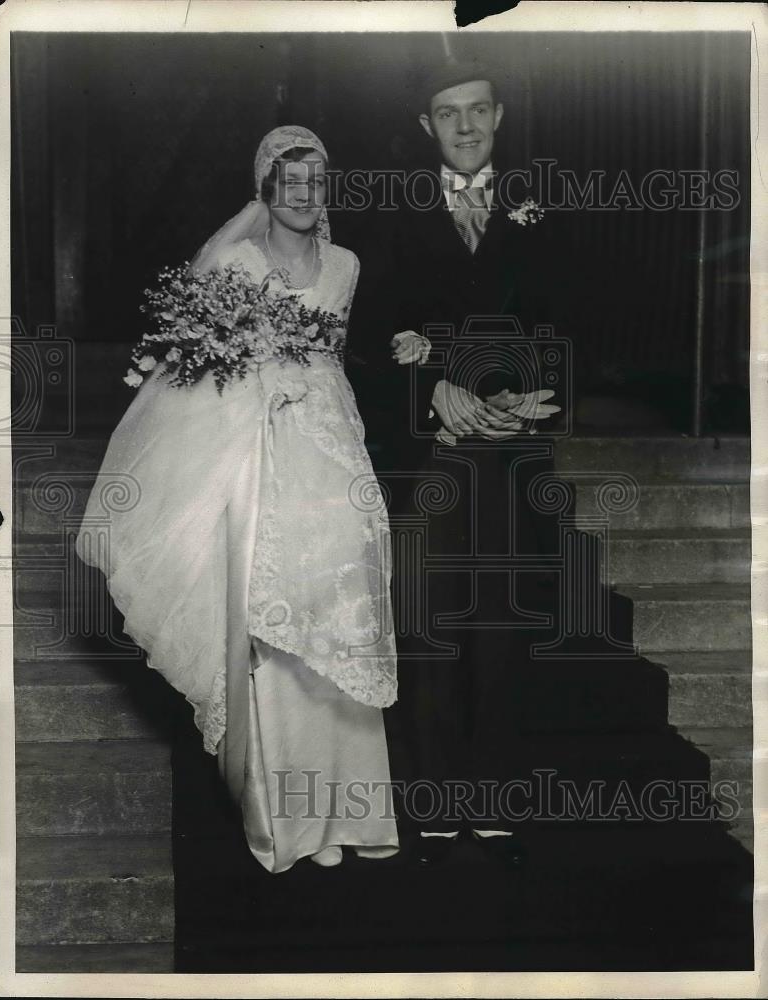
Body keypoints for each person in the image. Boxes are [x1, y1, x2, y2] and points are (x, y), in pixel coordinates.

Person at [77, 125, 399, 873]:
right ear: (264, 190)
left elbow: (335, 355)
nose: (303, 196)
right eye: (288, 182)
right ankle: (288, 824)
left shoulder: (345, 263)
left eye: (316, 183)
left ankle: (347, 814)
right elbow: (199, 325)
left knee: (340, 605)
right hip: (258, 446)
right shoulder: (237, 260)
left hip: (329, 442)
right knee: (268, 609)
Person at [347, 62, 560, 865]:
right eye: (448, 114)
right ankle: (434, 794)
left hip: (510, 442)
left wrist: (526, 397)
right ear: (426, 125)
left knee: (501, 618)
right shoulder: (397, 214)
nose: (464, 127)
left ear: (497, 116)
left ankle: (497, 790)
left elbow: (562, 318)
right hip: (427, 447)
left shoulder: (539, 207)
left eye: (477, 111)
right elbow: (366, 337)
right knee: (431, 618)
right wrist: (429, 388)